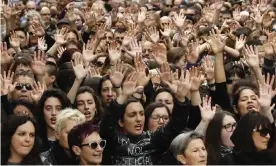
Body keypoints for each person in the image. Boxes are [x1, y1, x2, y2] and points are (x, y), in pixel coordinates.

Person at [100, 69, 192, 165]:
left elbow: (175, 126)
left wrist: (180, 98)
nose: (139, 119)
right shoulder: (112, 141)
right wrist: (123, 95)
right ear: (121, 122)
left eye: (142, 114)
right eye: (132, 115)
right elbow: (107, 124)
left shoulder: (153, 139)